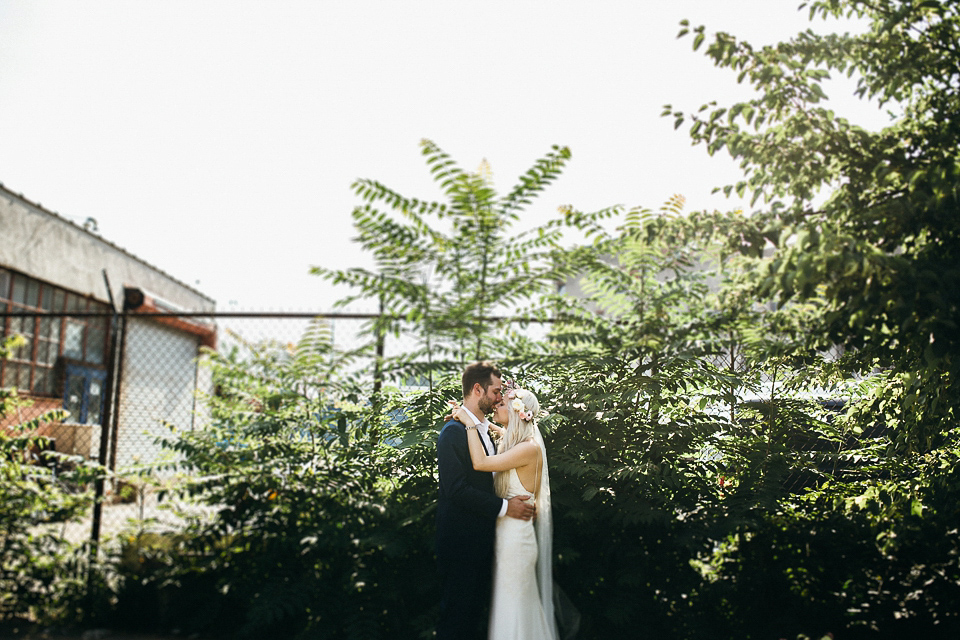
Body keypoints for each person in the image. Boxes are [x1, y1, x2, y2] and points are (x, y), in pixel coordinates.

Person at [436, 361, 537, 640]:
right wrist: (506, 507)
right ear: (477, 388)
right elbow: (455, 489)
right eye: (495, 391)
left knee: (475, 618)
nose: (498, 397)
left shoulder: (483, 430)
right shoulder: (453, 432)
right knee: (456, 620)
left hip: (484, 541)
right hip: (460, 543)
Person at [452, 383, 559, 640]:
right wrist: (483, 424)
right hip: (508, 536)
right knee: (511, 606)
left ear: (516, 411)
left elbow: (481, 463)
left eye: (502, 404)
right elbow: (504, 431)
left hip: (516, 541)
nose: (496, 405)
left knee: (514, 608)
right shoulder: (520, 441)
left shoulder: (528, 448)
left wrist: (468, 423)